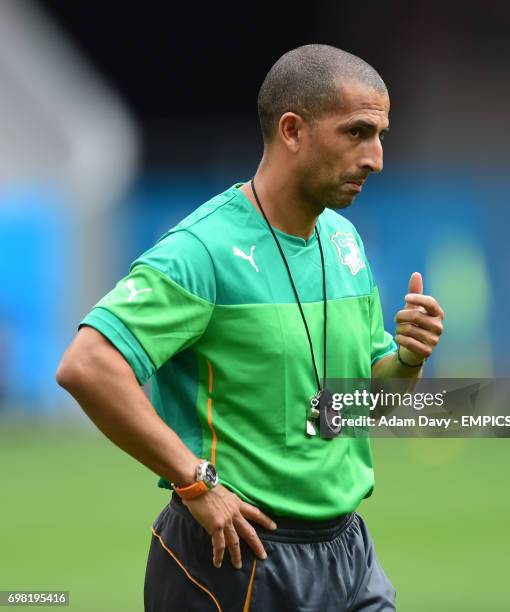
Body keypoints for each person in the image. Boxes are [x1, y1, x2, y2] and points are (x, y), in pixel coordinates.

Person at [56, 44, 444, 611]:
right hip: (237, 559)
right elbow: (87, 366)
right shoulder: (202, 251)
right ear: (292, 130)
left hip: (349, 554)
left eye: (381, 134)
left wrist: (407, 358)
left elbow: (359, 408)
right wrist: (195, 482)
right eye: (358, 133)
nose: (376, 158)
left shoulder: (345, 242)